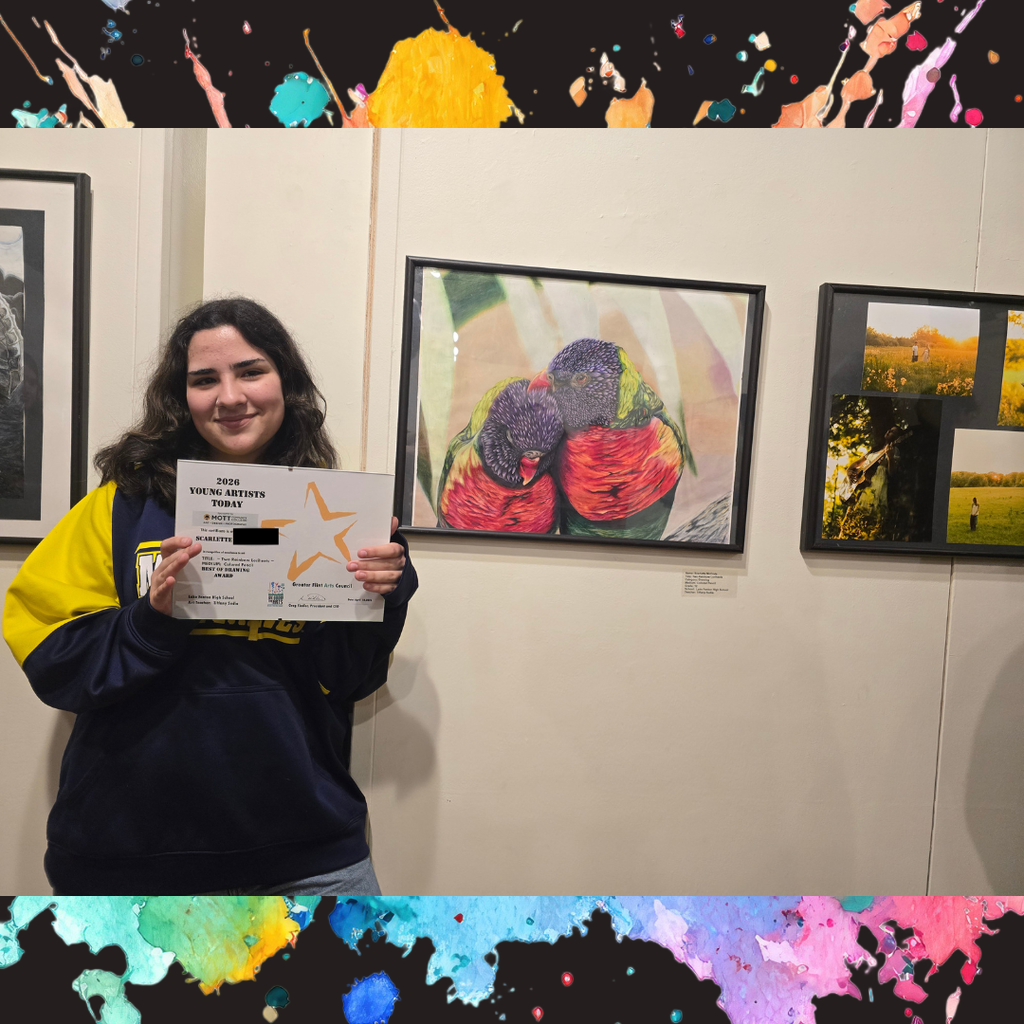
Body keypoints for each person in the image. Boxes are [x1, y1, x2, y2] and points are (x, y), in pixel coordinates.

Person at [2, 298, 417, 897]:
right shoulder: (121, 507)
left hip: (308, 861)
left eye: (251, 371)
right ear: (181, 396)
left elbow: (347, 677)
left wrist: (387, 588)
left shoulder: (340, 519)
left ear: (286, 383)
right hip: (125, 864)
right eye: (204, 380)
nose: (229, 396)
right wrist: (150, 623)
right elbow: (54, 664)